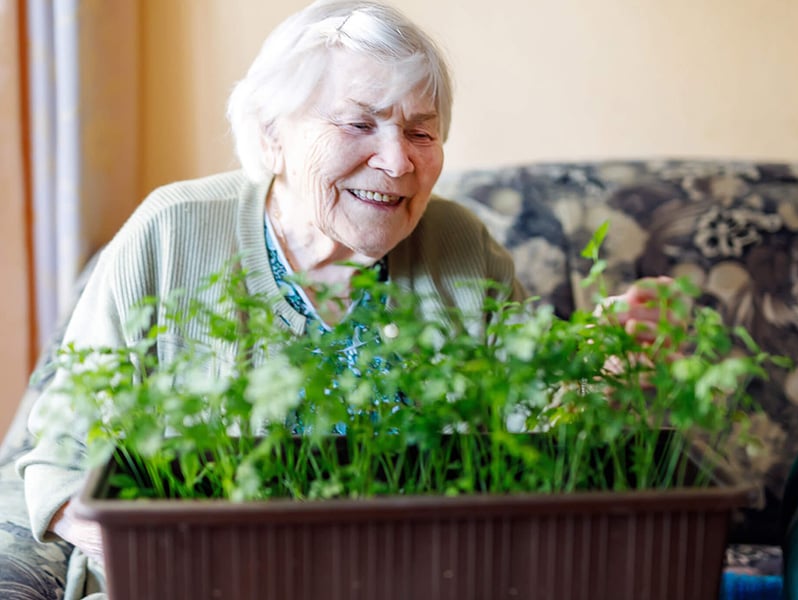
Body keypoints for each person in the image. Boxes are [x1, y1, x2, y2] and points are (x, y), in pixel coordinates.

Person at [15, 1, 674, 598]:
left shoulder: (461, 243)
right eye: (359, 124)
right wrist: (190, 561)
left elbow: (531, 437)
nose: (396, 161)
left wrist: (598, 362)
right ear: (273, 134)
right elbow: (59, 465)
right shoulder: (171, 231)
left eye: (421, 132)